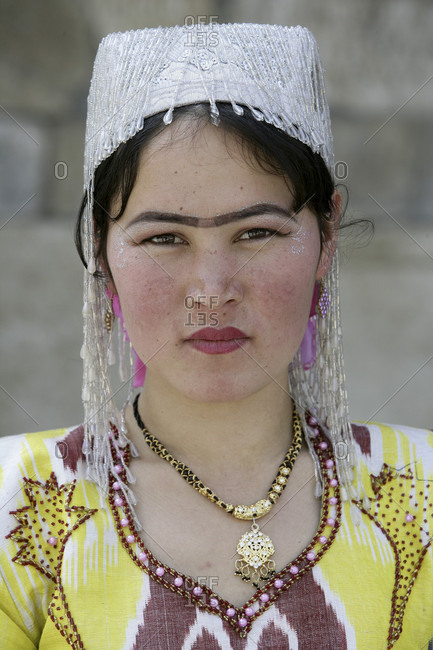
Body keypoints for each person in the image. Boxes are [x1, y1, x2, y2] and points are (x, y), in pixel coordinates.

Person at [0, 23, 432, 649]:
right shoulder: (16, 505)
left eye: (256, 233)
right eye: (163, 238)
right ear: (101, 249)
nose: (211, 289)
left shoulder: (419, 500)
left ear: (325, 237)